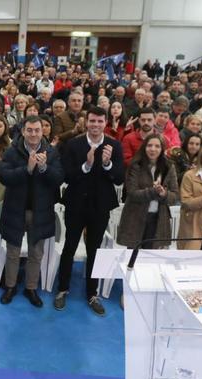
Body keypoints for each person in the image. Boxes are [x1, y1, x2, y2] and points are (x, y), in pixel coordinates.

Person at [55, 106, 125, 314]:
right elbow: (66, 176)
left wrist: (107, 164)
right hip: (76, 204)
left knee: (95, 249)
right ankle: (62, 289)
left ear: (106, 123)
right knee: (70, 246)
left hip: (100, 206)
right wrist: (86, 165)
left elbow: (120, 177)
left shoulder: (114, 145)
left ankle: (91, 293)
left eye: (99, 121)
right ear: (87, 122)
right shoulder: (73, 144)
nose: (95, 125)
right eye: (92, 121)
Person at [0, 115, 64, 307]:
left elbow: (59, 177)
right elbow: (3, 176)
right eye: (30, 130)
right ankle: (10, 286)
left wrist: (43, 168)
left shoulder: (51, 153)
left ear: (43, 131)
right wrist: (26, 169)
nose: (33, 134)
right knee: (13, 252)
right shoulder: (12, 151)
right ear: (23, 131)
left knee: (36, 253)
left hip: (40, 212)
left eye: (37, 130)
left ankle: (31, 288)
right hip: (15, 210)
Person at [116, 135, 179, 249]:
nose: (153, 149)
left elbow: (174, 196)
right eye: (149, 145)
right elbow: (132, 193)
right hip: (135, 218)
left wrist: (163, 193)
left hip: (158, 219)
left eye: (157, 146)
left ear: (162, 149)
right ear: (144, 147)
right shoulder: (135, 165)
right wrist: (153, 191)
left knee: (151, 258)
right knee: (133, 256)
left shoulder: (169, 166)